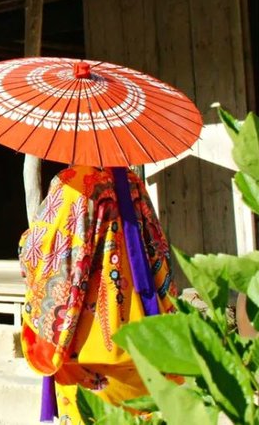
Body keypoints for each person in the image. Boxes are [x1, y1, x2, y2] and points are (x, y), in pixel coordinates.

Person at [18, 165, 178, 423]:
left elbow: (44, 255)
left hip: (87, 348)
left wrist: (26, 242)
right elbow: (158, 250)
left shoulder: (71, 183)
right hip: (140, 338)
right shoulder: (133, 181)